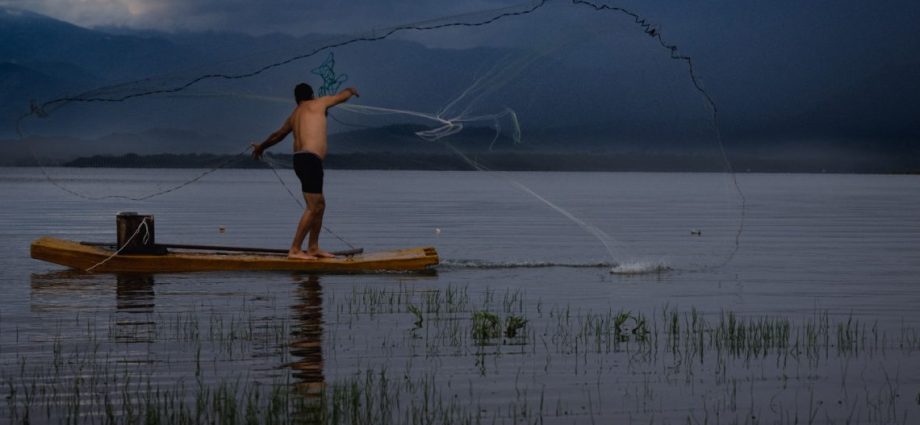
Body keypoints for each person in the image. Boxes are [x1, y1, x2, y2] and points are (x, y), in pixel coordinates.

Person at [251, 83, 359, 260]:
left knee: (320, 205)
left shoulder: (294, 115)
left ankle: (313, 247)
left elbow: (277, 135)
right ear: (312, 95)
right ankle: (294, 249)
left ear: (296, 99)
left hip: (301, 160)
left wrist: (261, 147)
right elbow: (341, 97)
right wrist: (350, 91)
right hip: (309, 160)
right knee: (313, 206)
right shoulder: (318, 103)